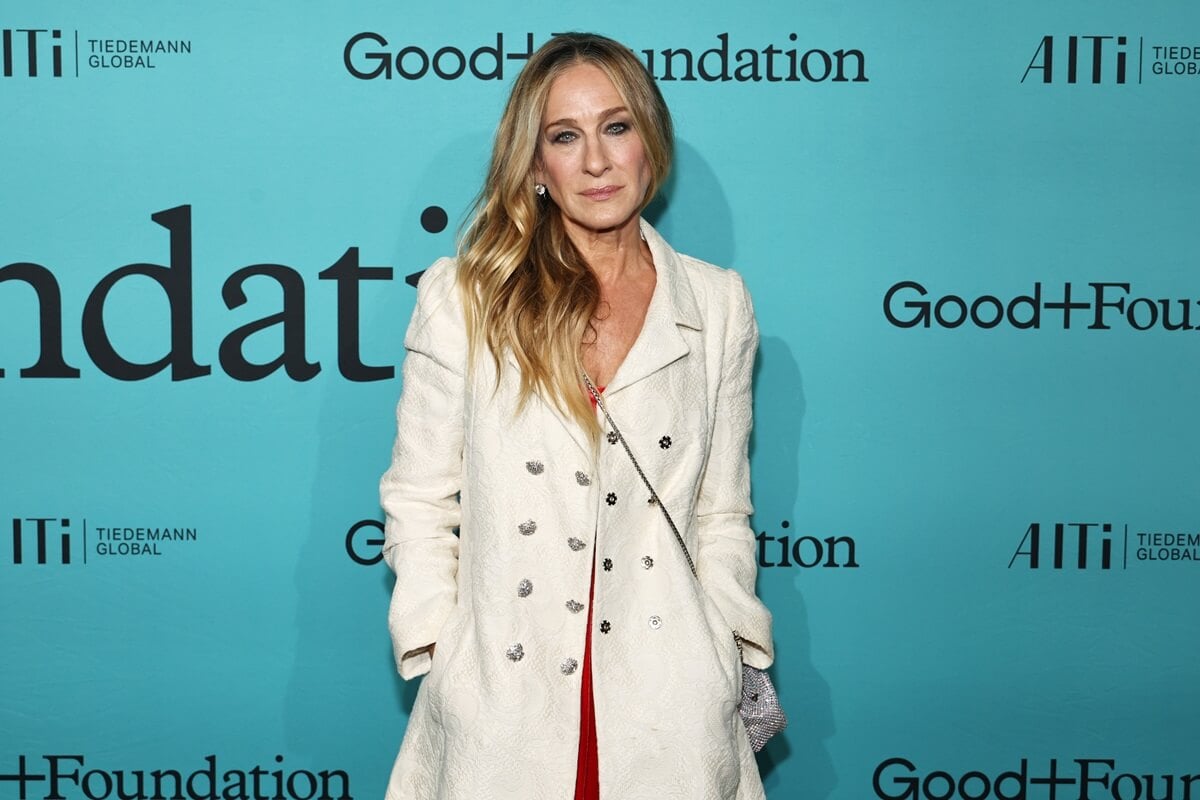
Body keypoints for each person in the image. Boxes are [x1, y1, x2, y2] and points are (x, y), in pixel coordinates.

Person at [379, 31, 775, 800]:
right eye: (566, 136)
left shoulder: (719, 302)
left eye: (616, 127)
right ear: (535, 166)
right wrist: (442, 650)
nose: (596, 160)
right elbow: (418, 498)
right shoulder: (464, 297)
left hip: (669, 706)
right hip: (503, 708)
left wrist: (726, 648)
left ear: (649, 143)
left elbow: (722, 510)